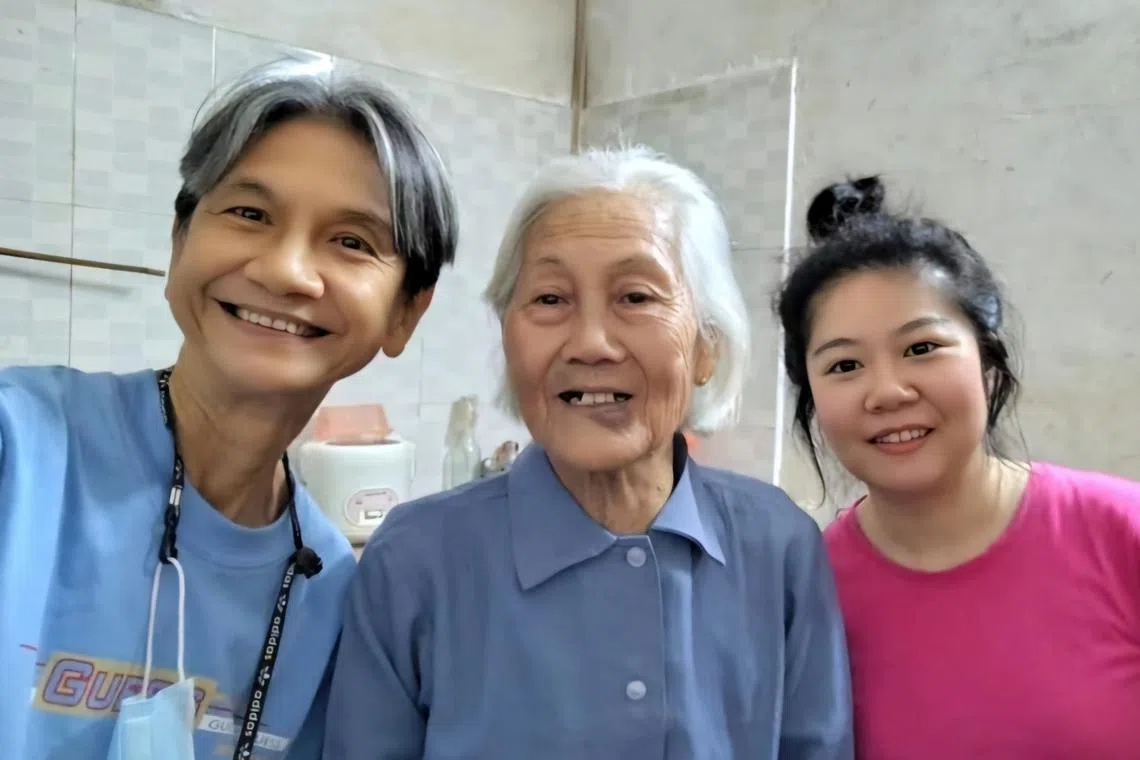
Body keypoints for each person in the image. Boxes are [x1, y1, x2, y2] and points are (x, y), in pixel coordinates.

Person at [324, 146, 854, 760]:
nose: (592, 343)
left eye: (636, 297)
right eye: (550, 299)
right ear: (509, 337)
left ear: (708, 344)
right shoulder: (415, 560)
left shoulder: (780, 546)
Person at [0, 57, 458, 760]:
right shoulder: (22, 449)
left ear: (406, 313)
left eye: (352, 242)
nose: (284, 270)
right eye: (250, 214)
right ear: (181, 240)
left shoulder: (331, 592)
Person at [774, 175, 1140, 759]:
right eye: (845, 365)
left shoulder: (1120, 532)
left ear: (988, 365)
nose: (887, 392)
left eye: (922, 348)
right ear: (813, 401)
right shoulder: (807, 597)